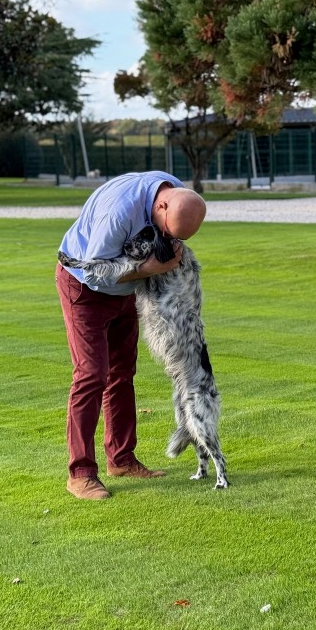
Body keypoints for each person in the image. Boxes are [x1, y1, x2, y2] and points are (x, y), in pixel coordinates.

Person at [56, 171, 207, 500]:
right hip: (84, 285)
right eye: (167, 231)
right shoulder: (118, 213)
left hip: (127, 289)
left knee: (122, 373)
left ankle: (121, 459)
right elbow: (94, 272)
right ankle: (80, 474)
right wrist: (147, 270)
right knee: (91, 374)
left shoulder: (173, 188)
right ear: (162, 205)